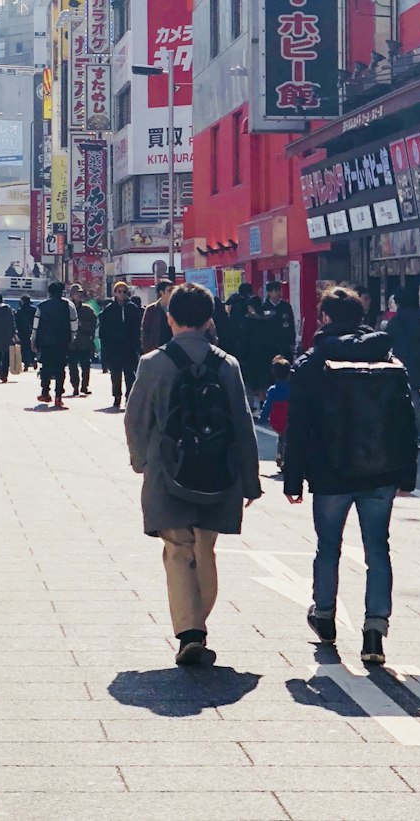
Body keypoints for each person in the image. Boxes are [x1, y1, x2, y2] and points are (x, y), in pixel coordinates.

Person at [125, 284, 261, 667]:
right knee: (205, 548)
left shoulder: (153, 363)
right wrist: (250, 480)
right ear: (209, 320)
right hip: (218, 474)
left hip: (168, 473)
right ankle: (199, 624)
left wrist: (141, 462)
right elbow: (242, 424)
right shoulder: (227, 364)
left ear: (169, 320)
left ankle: (191, 632)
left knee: (177, 549)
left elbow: (136, 418)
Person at [283, 285, 418, 667]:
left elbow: (299, 426)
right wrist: (406, 476)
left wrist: (293, 480)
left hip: (330, 473)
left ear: (324, 318)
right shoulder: (387, 358)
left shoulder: (311, 363)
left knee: (329, 546)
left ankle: (324, 616)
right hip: (381, 471)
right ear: (361, 317)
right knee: (378, 548)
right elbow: (404, 421)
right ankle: (374, 629)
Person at [386, 285, 420, 447]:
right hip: (418, 364)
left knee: (413, 400)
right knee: (414, 398)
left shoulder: (398, 320)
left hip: (405, 364)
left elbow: (386, 338)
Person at [33, 281, 78, 408]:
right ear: (62, 292)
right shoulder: (68, 305)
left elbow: (35, 326)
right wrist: (72, 337)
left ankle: (45, 393)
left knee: (46, 368)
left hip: (45, 342)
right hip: (62, 341)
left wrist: (33, 341)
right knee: (60, 369)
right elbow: (73, 323)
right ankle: (58, 396)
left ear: (49, 292)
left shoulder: (42, 306)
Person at [99, 281, 142, 408]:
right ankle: (116, 396)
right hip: (114, 348)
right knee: (116, 375)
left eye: (124, 291)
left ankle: (129, 397)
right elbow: (104, 331)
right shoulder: (109, 310)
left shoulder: (132, 308)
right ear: (115, 293)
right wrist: (105, 348)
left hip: (129, 348)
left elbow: (137, 327)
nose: (122, 294)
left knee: (130, 375)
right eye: (119, 291)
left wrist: (137, 345)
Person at [259, 354, 291, 471]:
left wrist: (262, 418)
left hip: (277, 420)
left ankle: (279, 455)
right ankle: (285, 457)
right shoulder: (292, 388)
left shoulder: (272, 390)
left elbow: (267, 406)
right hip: (290, 418)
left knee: (281, 437)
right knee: (288, 437)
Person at [68, 285, 97, 396]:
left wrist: (82, 325)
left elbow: (94, 323)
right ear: (71, 295)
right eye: (76, 293)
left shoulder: (87, 309)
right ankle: (75, 386)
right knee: (72, 367)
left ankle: (84, 386)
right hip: (71, 343)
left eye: (80, 292)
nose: (79, 295)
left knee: (86, 366)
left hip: (84, 342)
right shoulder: (68, 308)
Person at [140, 280, 173, 353]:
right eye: (169, 290)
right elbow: (145, 331)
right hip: (156, 349)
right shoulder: (151, 309)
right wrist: (147, 350)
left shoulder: (175, 308)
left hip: (172, 350)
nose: (172, 293)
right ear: (161, 292)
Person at [15, 293, 37, 370]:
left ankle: (26, 364)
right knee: (32, 346)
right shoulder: (34, 309)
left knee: (24, 348)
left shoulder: (19, 311)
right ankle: (33, 359)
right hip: (33, 331)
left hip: (23, 332)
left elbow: (16, 322)